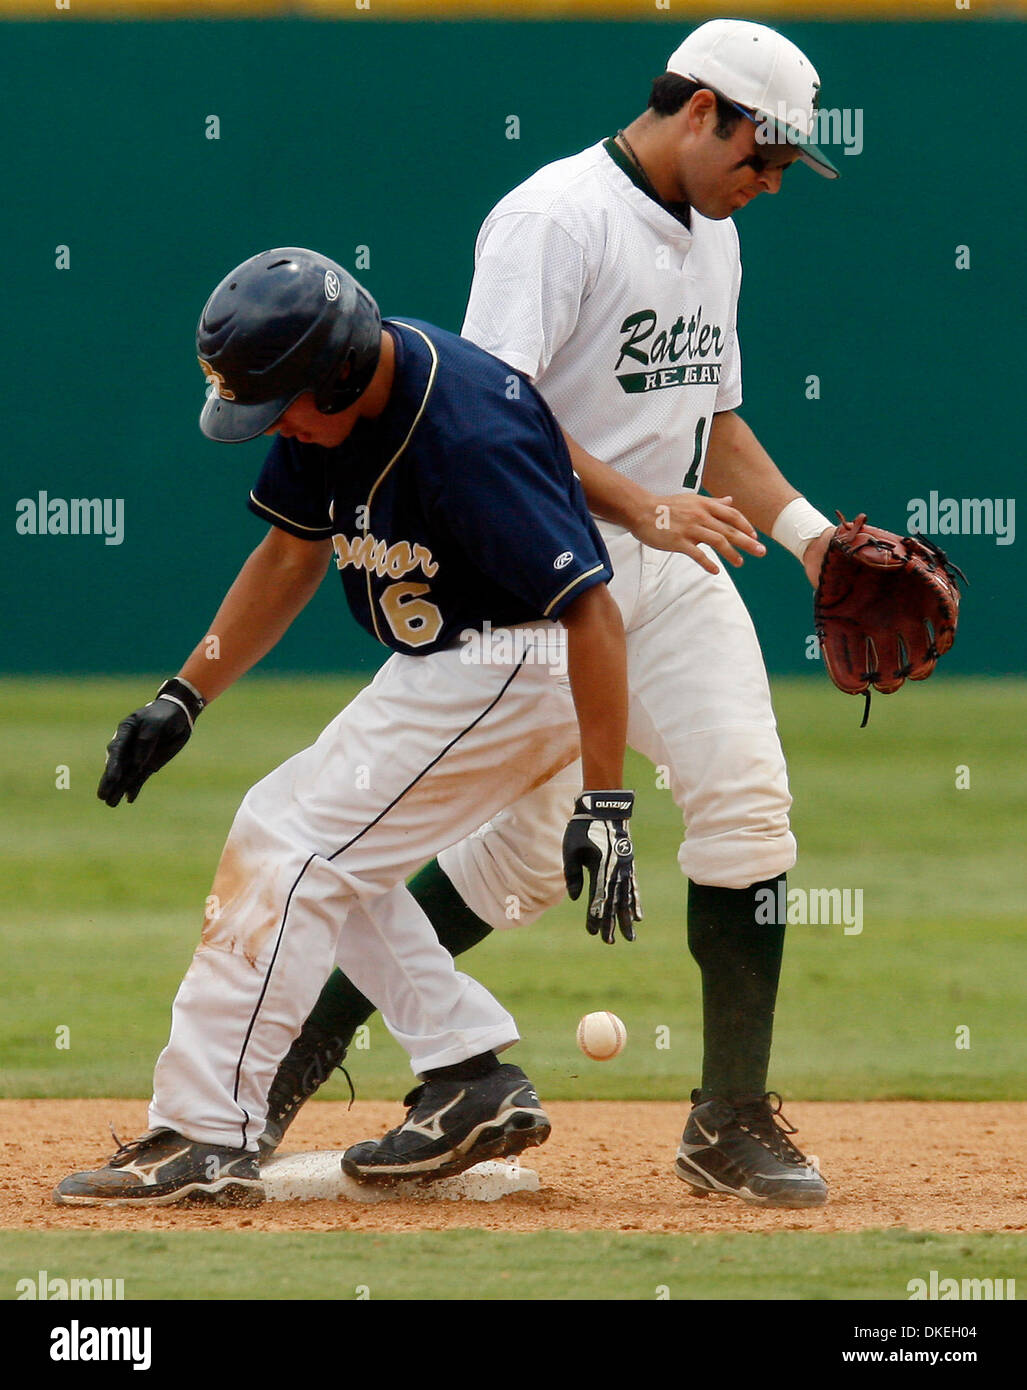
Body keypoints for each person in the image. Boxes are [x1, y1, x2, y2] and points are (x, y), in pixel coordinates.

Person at [262, 19, 843, 1210]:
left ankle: (728, 1119)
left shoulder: (712, 235)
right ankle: (289, 1079)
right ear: (699, 111)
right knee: (517, 863)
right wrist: (640, 504)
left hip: (670, 570)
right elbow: (486, 423)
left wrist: (813, 541)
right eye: (762, 154)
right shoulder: (553, 218)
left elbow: (713, 429)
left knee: (746, 801)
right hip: (540, 574)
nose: (771, 180)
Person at [53, 246, 641, 1206]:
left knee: (288, 846)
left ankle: (205, 1134)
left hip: (515, 664)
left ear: (335, 371)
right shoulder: (328, 399)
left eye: (278, 406)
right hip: (446, 664)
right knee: (332, 851)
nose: (273, 425)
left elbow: (592, 613)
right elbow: (290, 553)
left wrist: (605, 798)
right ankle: (467, 1079)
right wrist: (184, 694)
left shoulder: (466, 429)